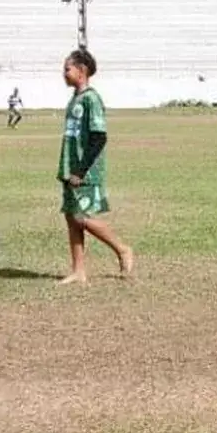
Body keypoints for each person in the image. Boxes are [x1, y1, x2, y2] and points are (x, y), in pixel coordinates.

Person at [57, 49, 133, 285]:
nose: (63, 73)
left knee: (81, 217)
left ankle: (122, 248)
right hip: (69, 167)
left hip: (84, 170)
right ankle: (79, 271)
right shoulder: (75, 98)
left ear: (82, 71)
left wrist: (81, 170)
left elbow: (99, 137)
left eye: (67, 68)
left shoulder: (92, 99)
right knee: (72, 218)